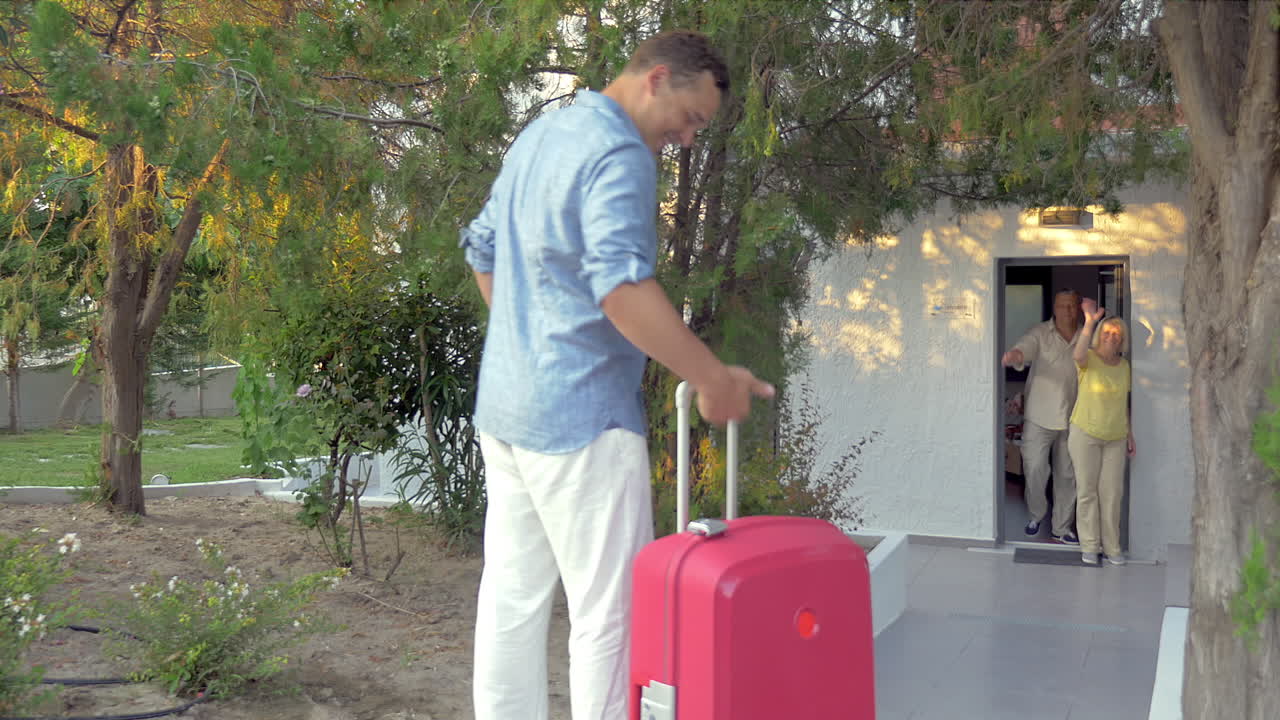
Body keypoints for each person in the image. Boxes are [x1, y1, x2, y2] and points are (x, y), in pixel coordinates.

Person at [459, 30, 775, 720]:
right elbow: (622, 290)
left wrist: (529, 341)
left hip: (510, 412)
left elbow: (482, 249)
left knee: (511, 600)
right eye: (690, 119)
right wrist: (714, 379)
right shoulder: (621, 153)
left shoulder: (543, 135)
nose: (689, 140)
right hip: (584, 423)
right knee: (609, 615)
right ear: (656, 78)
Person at [1001, 289, 1082, 544]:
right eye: (1062, 306)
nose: (1066, 311)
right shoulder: (1040, 333)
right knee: (1034, 467)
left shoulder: (1086, 335)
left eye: (1071, 306)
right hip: (1039, 414)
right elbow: (1026, 347)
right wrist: (1016, 355)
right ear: (1054, 308)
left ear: (1078, 307)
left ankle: (1061, 527)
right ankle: (1036, 514)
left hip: (1075, 415)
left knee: (1067, 475)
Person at [1068, 299, 1136, 566]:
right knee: (1087, 491)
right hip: (1085, 433)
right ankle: (1089, 545)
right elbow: (1077, 354)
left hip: (1115, 437)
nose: (1110, 337)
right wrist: (1089, 321)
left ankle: (1112, 547)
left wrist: (1130, 434)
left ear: (1122, 340)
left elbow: (1124, 404)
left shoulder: (1124, 367)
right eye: (1106, 333)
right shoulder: (1089, 359)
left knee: (1112, 494)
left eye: (1116, 334)